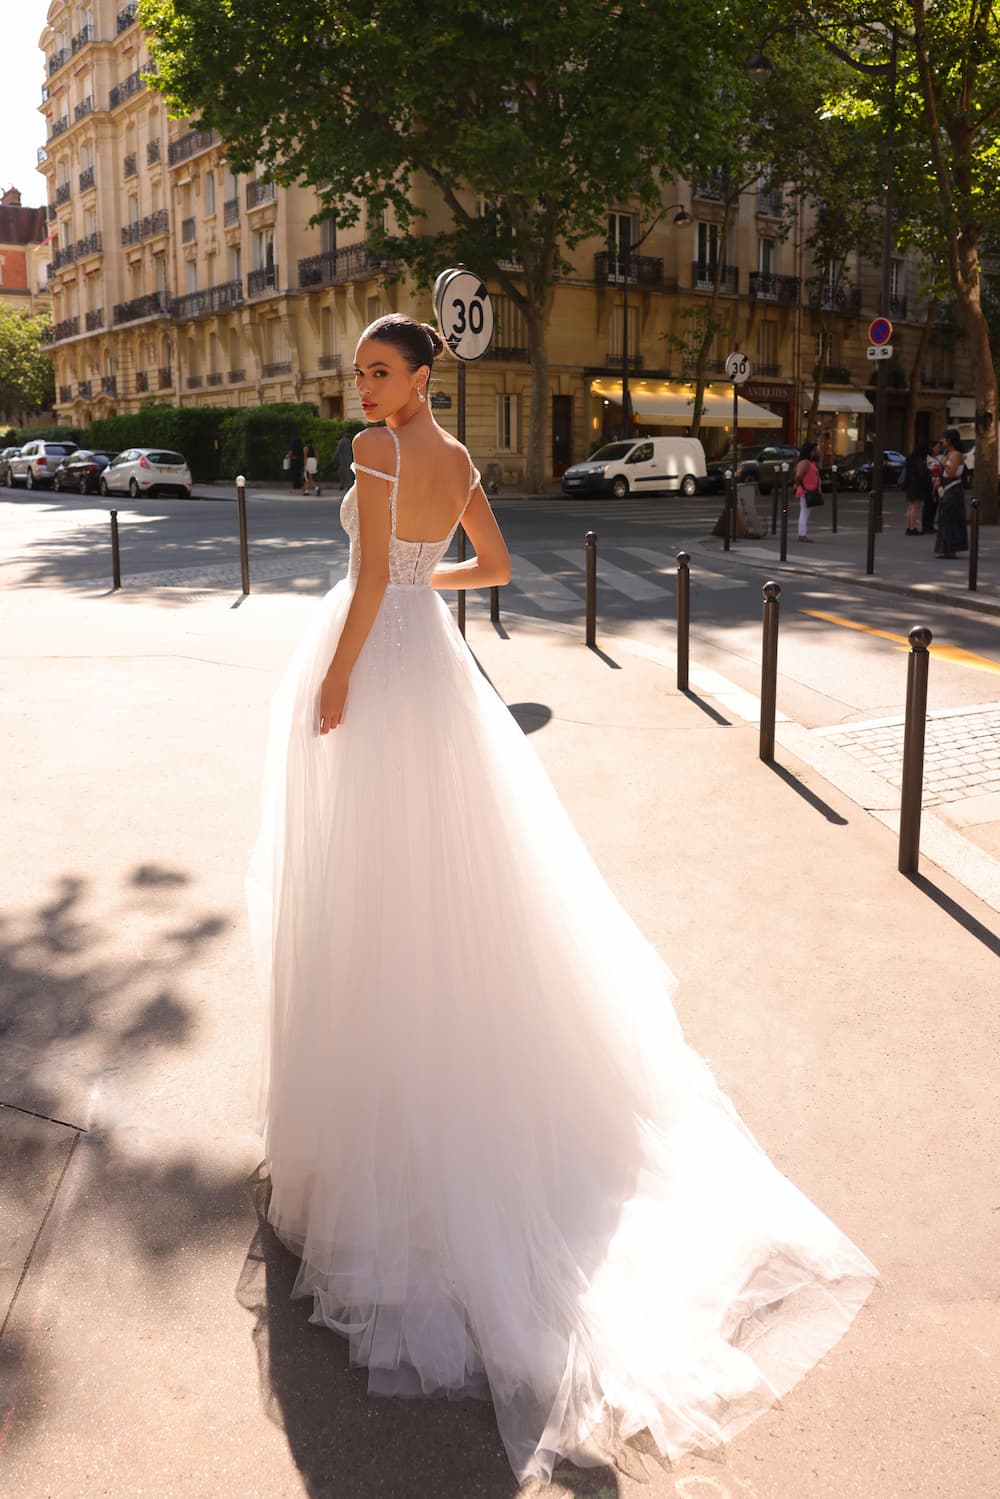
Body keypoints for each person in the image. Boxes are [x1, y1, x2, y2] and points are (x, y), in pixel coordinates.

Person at [246, 312, 876, 1484]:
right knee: (446, 882)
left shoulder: (377, 454)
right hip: (433, 666)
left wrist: (333, 682)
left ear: (421, 374)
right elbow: (489, 566)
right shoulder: (458, 460)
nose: (364, 387)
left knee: (370, 881)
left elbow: (372, 592)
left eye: (380, 371)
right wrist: (417, 578)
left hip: (375, 664)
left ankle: (376, 1104)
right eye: (362, 373)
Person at [935, 428, 968, 559]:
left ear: (949, 440)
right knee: (945, 518)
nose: (943, 441)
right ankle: (946, 548)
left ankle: (951, 549)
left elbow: (952, 472)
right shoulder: (947, 453)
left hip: (954, 489)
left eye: (944, 439)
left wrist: (943, 463)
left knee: (951, 518)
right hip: (946, 487)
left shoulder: (956, 455)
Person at [794, 438, 821, 542]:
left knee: (806, 511)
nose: (815, 452)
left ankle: (802, 533)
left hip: (810, 489)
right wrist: (799, 485)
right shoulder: (805, 462)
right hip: (806, 490)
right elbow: (799, 476)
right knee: (804, 512)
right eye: (813, 450)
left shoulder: (809, 462)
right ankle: (802, 534)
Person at [903, 443, 932, 535]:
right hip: (917, 485)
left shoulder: (910, 459)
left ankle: (909, 527)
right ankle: (913, 528)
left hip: (910, 485)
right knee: (915, 507)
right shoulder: (919, 460)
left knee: (911, 507)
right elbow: (922, 474)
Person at [924, 439, 942, 533]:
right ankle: (926, 526)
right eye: (937, 447)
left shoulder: (938, 458)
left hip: (937, 484)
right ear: (932, 448)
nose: (939, 449)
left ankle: (930, 525)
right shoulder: (928, 459)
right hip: (930, 485)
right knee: (929, 505)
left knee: (934, 505)